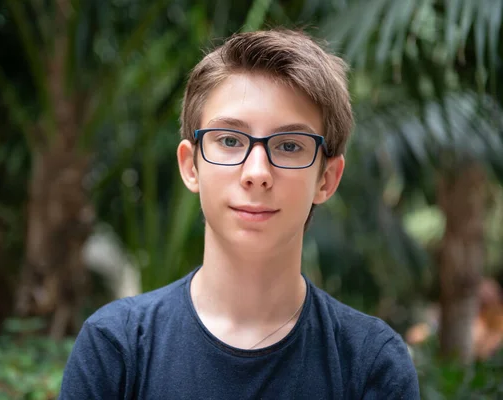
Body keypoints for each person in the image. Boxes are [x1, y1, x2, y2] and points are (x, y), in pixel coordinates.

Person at [59, 28, 420, 399]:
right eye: (230, 141)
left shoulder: (370, 364)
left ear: (326, 179)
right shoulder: (116, 348)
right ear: (191, 166)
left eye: (290, 145)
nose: (257, 173)